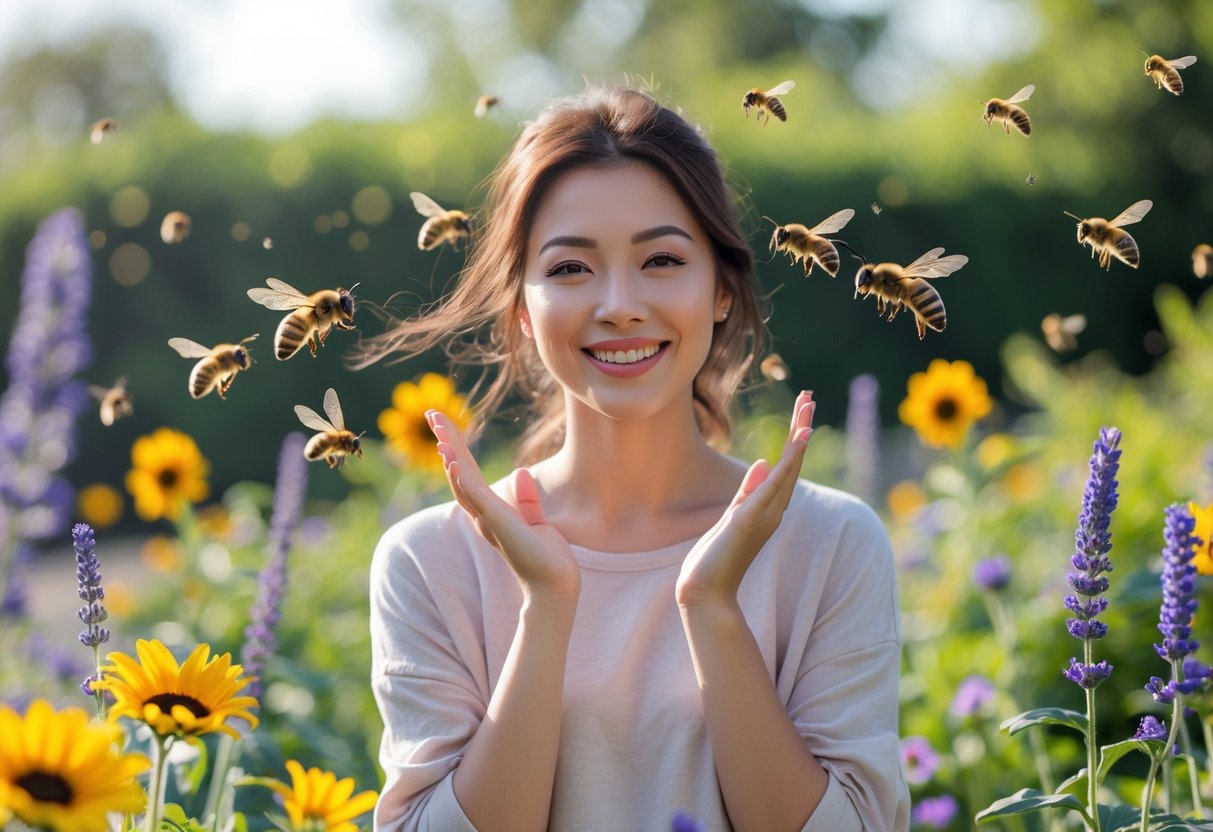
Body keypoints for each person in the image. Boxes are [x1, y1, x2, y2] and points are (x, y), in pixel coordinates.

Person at [362, 86, 909, 832]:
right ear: (521, 310)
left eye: (659, 259)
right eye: (569, 269)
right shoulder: (430, 559)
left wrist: (711, 608)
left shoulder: (830, 544)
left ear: (720, 288)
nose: (618, 303)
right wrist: (546, 606)